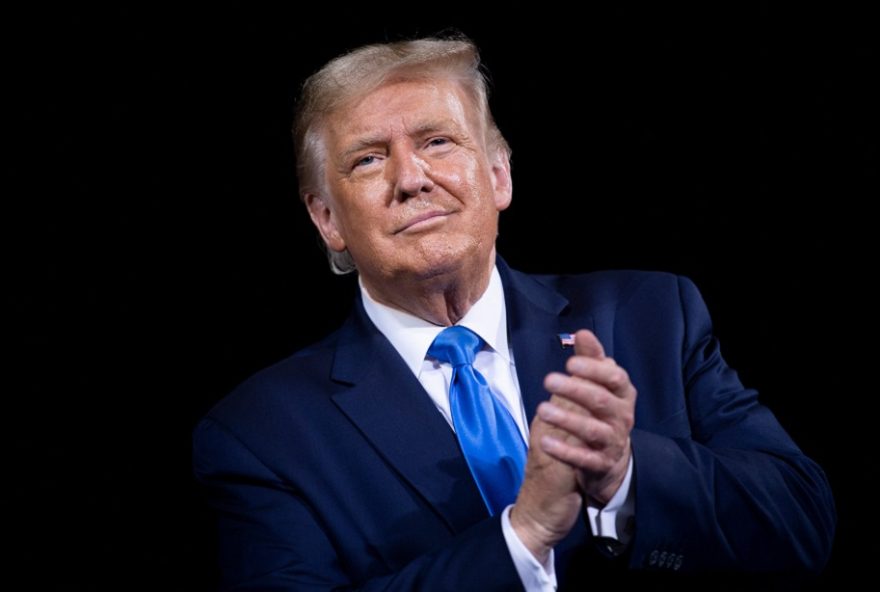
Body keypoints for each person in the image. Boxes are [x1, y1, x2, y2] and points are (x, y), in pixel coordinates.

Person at [193, 35, 835, 590]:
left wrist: (625, 475)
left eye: (438, 141)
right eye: (368, 158)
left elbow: (802, 523)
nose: (411, 179)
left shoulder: (651, 315)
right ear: (327, 218)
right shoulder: (261, 435)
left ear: (499, 174)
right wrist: (522, 536)